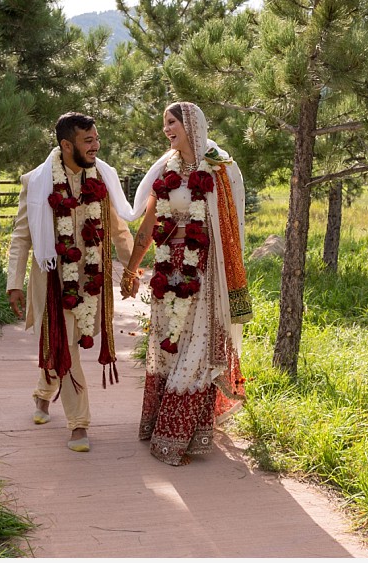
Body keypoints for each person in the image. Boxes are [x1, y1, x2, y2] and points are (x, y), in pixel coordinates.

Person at [120, 101, 252, 466]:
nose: (166, 129)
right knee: (171, 347)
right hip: (170, 271)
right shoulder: (167, 170)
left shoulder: (220, 169)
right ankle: (166, 427)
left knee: (198, 349)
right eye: (164, 123)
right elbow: (148, 227)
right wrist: (132, 270)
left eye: (172, 122)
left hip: (205, 273)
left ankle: (176, 437)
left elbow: (229, 229)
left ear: (191, 124)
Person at [7, 112, 135, 453]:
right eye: (88, 140)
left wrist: (133, 269)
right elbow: (21, 237)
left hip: (89, 278)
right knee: (66, 345)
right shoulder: (36, 183)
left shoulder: (103, 178)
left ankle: (41, 393)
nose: (96, 146)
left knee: (65, 345)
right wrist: (13, 282)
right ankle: (79, 425)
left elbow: (119, 230)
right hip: (51, 279)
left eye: (96, 138)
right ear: (66, 145)